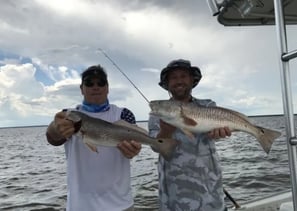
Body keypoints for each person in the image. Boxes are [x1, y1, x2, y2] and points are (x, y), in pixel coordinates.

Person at [46, 65, 142, 211]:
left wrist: (134, 150)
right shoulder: (69, 115)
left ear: (108, 88)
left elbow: (133, 142)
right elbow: (53, 138)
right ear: (81, 89)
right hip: (80, 206)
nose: (95, 87)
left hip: (120, 205)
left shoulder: (123, 114)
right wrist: (56, 127)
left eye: (100, 83)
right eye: (89, 83)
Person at [148, 59, 232, 211]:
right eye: (173, 77)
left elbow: (215, 131)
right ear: (167, 84)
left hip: (210, 192)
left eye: (183, 76)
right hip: (174, 195)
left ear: (193, 80)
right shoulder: (158, 114)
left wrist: (220, 133)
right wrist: (166, 131)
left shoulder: (208, 106)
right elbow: (156, 147)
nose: (179, 81)